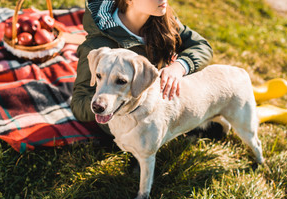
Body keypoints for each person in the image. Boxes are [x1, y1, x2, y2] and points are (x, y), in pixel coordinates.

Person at [71, 0, 213, 134]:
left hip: (162, 103)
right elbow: (79, 104)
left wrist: (179, 67)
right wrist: (115, 100)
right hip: (128, 124)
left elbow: (201, 46)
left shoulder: (162, 19)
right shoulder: (99, 45)